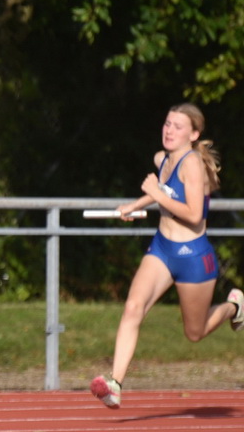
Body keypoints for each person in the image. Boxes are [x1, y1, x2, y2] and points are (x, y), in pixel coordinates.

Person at [91, 103, 243, 409]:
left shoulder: (192, 165)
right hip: (162, 249)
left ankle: (234, 306)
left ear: (194, 133)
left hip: (193, 256)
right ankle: (115, 384)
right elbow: (161, 188)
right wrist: (134, 206)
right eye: (167, 123)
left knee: (195, 333)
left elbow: (194, 214)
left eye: (177, 126)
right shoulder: (162, 159)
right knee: (133, 307)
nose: (169, 130)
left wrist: (158, 196)